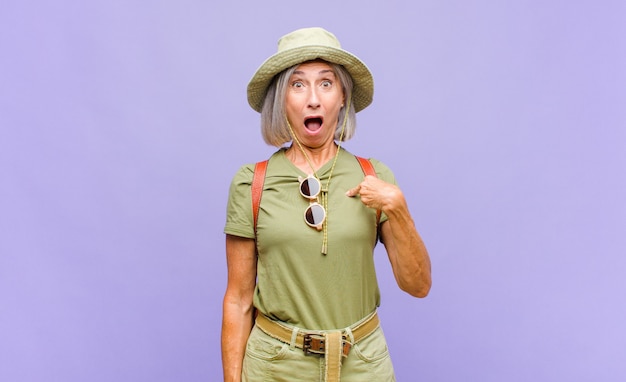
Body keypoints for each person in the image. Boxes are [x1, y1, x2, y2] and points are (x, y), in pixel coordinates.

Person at [221, 27, 431, 382]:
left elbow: (418, 286)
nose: (313, 99)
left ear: (343, 97)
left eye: (326, 83)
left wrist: (399, 209)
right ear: (281, 99)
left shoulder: (375, 176)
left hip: (363, 365)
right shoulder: (251, 183)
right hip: (276, 367)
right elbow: (238, 301)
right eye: (298, 84)